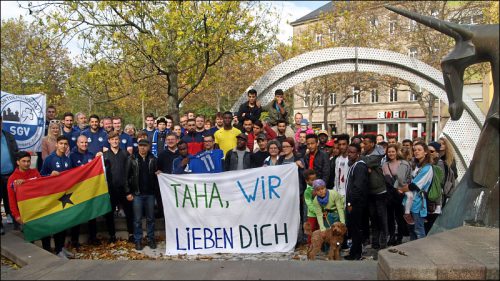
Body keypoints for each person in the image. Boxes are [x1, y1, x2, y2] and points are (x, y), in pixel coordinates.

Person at [40, 136, 74, 259]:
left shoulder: (68, 159)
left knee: (63, 223)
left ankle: (61, 248)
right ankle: (55, 249)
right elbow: (42, 175)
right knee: (55, 222)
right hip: (52, 196)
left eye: (66, 144)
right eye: (61, 143)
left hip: (65, 196)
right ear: (56, 145)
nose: (63, 146)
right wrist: (50, 175)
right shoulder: (49, 159)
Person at [68, 135, 101, 247]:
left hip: (90, 190)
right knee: (77, 215)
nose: (84, 144)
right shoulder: (72, 156)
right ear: (77, 143)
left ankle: (93, 237)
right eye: (82, 142)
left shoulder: (91, 155)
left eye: (86, 142)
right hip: (77, 190)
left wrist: (99, 158)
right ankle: (74, 240)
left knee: (92, 215)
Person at [103, 131, 134, 244]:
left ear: (119, 141)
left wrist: (129, 190)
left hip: (124, 189)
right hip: (111, 190)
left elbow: (131, 173)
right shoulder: (105, 156)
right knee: (109, 214)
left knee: (129, 212)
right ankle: (112, 235)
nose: (115, 141)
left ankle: (131, 234)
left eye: (116, 139)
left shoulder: (125, 154)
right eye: (112, 140)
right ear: (109, 141)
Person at [398, 141, 433, 241]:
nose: (416, 152)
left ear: (425, 152)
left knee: (418, 229)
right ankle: (413, 252)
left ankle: (421, 253)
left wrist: (401, 188)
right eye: (414, 150)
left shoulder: (427, 168)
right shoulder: (415, 165)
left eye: (419, 150)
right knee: (411, 230)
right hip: (409, 202)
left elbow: (414, 185)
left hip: (418, 204)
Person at [129, 139, 158, 250]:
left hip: (150, 194)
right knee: (137, 219)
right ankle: (138, 240)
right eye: (140, 146)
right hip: (137, 194)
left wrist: (158, 173)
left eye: (145, 146)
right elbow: (127, 176)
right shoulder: (132, 158)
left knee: (151, 218)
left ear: (149, 147)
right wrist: (128, 192)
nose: (142, 148)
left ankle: (151, 239)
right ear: (138, 147)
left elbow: (156, 173)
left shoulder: (153, 159)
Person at [362, 134, 388, 250]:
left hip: (380, 191)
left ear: (372, 144)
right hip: (369, 191)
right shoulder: (364, 154)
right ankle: (375, 242)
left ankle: (384, 240)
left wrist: (364, 162)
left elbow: (366, 161)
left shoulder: (378, 155)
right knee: (373, 218)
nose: (363, 145)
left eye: (366, 143)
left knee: (382, 217)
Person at [382, 144, 411, 246]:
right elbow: (388, 179)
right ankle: (392, 236)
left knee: (400, 216)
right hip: (390, 194)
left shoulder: (403, 163)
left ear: (396, 152)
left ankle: (400, 237)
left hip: (401, 193)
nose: (391, 153)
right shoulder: (385, 165)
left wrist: (402, 189)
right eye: (389, 152)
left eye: (393, 151)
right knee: (390, 217)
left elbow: (407, 178)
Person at [344, 143, 369, 260]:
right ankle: (354, 251)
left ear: (358, 153)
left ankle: (357, 253)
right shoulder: (354, 165)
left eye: (352, 152)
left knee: (356, 229)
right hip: (353, 203)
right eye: (348, 152)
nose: (349, 154)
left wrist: (350, 204)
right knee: (353, 229)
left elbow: (358, 188)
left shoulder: (360, 166)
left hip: (356, 204)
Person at [7, 151, 41, 235]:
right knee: (30, 237)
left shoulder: (35, 172)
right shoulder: (12, 179)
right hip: (25, 213)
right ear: (18, 162)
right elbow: (11, 199)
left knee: (44, 235)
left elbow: (42, 187)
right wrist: (16, 215)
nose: (26, 163)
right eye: (24, 161)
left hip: (38, 210)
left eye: (28, 161)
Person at [1, 116, 19, 233]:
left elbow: (15, 152)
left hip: (10, 174)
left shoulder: (9, 136)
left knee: (12, 199)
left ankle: (16, 221)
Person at [438, 136, 458, 206]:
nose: (441, 145)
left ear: (446, 146)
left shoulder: (450, 159)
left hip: (445, 188)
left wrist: (448, 184)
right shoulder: (435, 156)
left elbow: (455, 174)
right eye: (439, 143)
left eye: (443, 143)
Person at [303, 169, 318, 245]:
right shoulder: (307, 191)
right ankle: (310, 245)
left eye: (315, 179)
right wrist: (316, 211)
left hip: (320, 213)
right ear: (307, 181)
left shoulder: (319, 187)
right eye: (312, 180)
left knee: (319, 230)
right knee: (311, 230)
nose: (314, 181)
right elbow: (309, 204)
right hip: (312, 215)